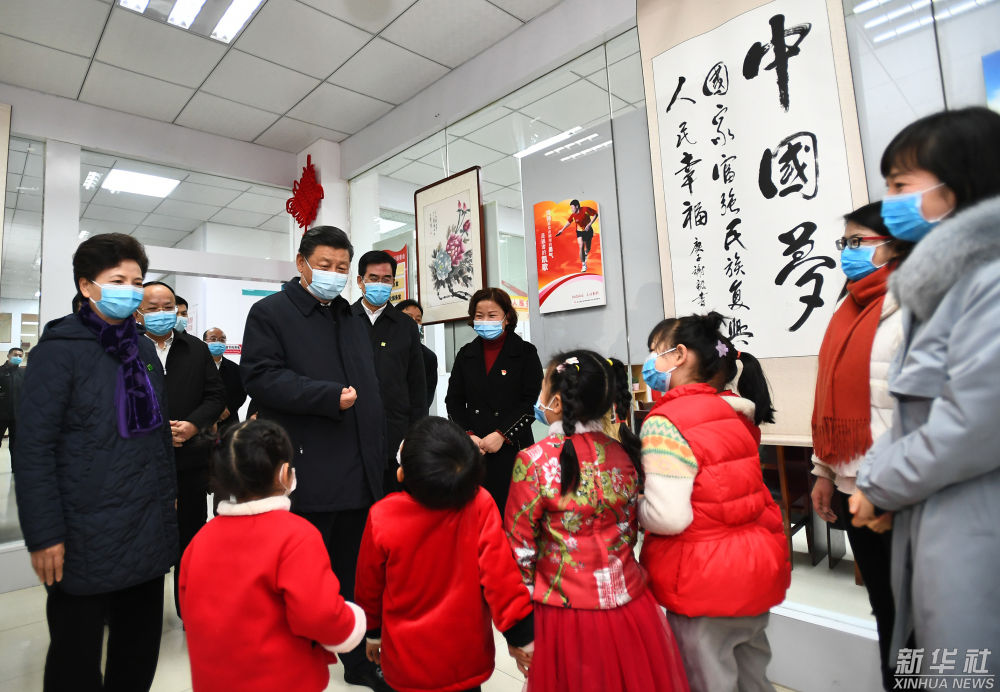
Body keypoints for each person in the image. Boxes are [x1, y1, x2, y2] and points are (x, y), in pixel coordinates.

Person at [850, 106, 1000, 667]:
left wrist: (880, 484)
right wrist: (875, 480)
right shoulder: (942, 285)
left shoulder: (990, 283)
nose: (889, 202)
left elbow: (972, 424)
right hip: (939, 508)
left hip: (976, 518)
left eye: (900, 185)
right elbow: (912, 413)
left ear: (956, 187)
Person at [14, 233, 177, 691]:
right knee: (76, 659)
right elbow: (33, 449)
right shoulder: (59, 351)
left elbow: (157, 438)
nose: (131, 290)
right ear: (87, 286)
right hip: (83, 533)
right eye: (117, 280)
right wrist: (44, 534)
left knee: (138, 651)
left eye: (137, 281)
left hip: (144, 525)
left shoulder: (143, 350)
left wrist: (168, 501)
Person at [241, 225, 388, 691]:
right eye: (325, 265)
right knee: (306, 577)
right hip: (310, 465)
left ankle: (359, 661)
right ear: (302, 263)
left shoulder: (349, 316)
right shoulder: (270, 313)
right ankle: (299, 662)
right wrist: (326, 396)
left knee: (356, 574)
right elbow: (260, 377)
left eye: (342, 267)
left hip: (361, 466)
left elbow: (370, 387)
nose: (334, 274)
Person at [505, 350, 689, 692]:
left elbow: (520, 553)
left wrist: (520, 629)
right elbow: (629, 531)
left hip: (564, 612)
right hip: (630, 608)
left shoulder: (533, 461)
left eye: (543, 387)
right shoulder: (624, 453)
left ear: (556, 402)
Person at [638, 313, 790, 692]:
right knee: (754, 679)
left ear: (679, 355)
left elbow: (669, 516)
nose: (651, 361)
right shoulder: (731, 410)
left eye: (656, 351)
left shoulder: (665, 422)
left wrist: (634, 506)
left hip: (704, 581)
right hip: (753, 571)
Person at [180, 419, 366, 692]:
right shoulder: (297, 536)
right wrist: (354, 621)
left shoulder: (200, 541)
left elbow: (191, 610)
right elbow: (320, 615)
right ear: (283, 474)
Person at [810, 201, 912, 690]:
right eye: (844, 243)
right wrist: (824, 473)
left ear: (893, 245)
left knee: (921, 613)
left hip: (903, 491)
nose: (847, 252)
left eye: (857, 242)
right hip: (854, 487)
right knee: (884, 606)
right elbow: (830, 396)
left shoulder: (915, 305)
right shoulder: (845, 308)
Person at [355, 416, 534, 692]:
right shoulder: (480, 503)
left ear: (402, 475)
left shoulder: (383, 516)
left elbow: (369, 584)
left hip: (406, 659)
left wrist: (373, 632)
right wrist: (520, 637)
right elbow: (501, 578)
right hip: (465, 659)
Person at [136, 281, 225, 619]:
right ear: (138, 312)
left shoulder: (196, 349)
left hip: (189, 461)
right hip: (141, 464)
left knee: (190, 538)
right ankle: (140, 616)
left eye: (168, 307)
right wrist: (157, 433)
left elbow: (215, 396)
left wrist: (193, 425)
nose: (162, 313)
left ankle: (189, 610)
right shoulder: (125, 347)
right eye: (153, 307)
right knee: (144, 539)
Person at [446, 287, 542, 512]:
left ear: (507, 317)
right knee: (476, 513)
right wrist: (468, 435)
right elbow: (453, 401)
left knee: (513, 513)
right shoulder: (466, 354)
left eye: (492, 315)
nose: (485, 321)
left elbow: (531, 402)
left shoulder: (525, 352)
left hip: (513, 446)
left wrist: (502, 435)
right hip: (475, 449)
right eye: (479, 316)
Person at [352, 251, 427, 492]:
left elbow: (417, 385)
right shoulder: (344, 319)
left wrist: (416, 435)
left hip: (395, 434)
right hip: (352, 432)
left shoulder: (406, 326)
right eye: (373, 278)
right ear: (360, 281)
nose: (380, 284)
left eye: (386, 279)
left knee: (394, 501)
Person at [204, 327, 246, 437]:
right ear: (204, 342)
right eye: (213, 339)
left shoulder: (235, 368)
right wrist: (213, 411)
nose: (218, 342)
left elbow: (241, 393)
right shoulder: (196, 366)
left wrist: (228, 409)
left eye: (222, 340)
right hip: (202, 421)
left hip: (229, 422)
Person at [396, 298, 438, 409]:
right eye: (408, 317)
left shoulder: (429, 357)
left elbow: (427, 395)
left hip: (415, 415)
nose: (414, 322)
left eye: (418, 319)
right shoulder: (382, 348)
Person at [555, 199, 598, 273]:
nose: (571, 209)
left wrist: (589, 224)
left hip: (588, 231)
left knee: (588, 248)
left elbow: (595, 214)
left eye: (572, 207)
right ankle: (583, 264)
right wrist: (562, 230)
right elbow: (568, 222)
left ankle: (585, 253)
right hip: (579, 232)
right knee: (581, 245)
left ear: (577, 206)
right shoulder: (573, 215)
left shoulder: (585, 209)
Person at [0, 347, 25, 456]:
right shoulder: (0, 371)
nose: (18, 357)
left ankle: (15, 466)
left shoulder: (23, 373)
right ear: (8, 356)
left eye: (20, 356)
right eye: (15, 355)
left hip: (17, 416)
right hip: (1, 415)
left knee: (15, 446)